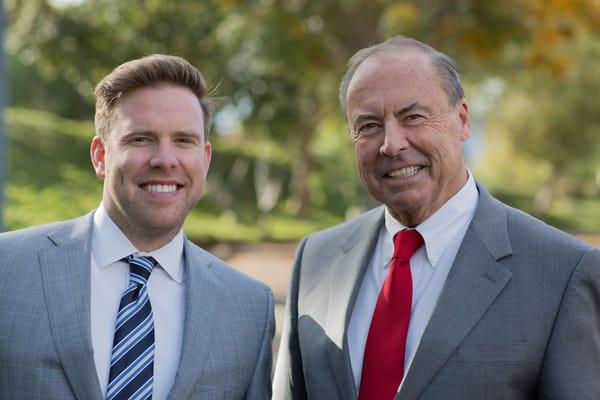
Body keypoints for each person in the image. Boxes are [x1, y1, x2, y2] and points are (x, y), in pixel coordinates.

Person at [273, 36, 600, 400]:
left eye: (412, 117)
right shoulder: (316, 260)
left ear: (462, 120)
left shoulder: (564, 273)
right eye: (368, 126)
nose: (391, 143)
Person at [0, 54, 274, 399]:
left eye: (184, 140)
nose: (164, 159)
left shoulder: (250, 306)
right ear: (101, 156)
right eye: (141, 138)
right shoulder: (6, 270)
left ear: (204, 160)